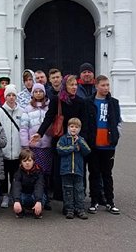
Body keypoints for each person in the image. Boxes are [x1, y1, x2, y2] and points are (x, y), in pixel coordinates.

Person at [36, 74, 90, 202]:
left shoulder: (81, 101)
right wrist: (40, 133)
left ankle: (78, 196)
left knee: (77, 167)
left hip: (76, 138)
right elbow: (49, 117)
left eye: (76, 84)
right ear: (65, 86)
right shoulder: (57, 100)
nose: (74, 87)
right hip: (60, 138)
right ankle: (61, 196)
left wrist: (83, 139)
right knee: (60, 168)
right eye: (71, 85)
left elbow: (85, 122)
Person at [85, 75, 122, 215]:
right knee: (94, 173)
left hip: (109, 146)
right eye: (103, 85)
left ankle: (109, 202)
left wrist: (116, 137)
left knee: (107, 174)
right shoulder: (89, 102)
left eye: (107, 85)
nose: (106, 88)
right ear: (96, 86)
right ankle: (94, 201)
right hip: (94, 145)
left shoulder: (113, 103)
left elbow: (118, 121)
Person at [20, 83, 53, 209]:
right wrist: (25, 144)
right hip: (33, 147)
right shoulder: (27, 109)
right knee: (34, 172)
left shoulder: (49, 107)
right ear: (32, 94)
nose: (38, 94)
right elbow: (23, 128)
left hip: (46, 146)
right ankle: (35, 198)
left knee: (45, 173)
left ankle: (45, 197)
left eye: (40, 91)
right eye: (36, 91)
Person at [57, 117, 91, 219]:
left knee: (79, 190)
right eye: (72, 126)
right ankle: (69, 209)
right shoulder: (63, 139)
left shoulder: (81, 140)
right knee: (68, 190)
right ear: (68, 127)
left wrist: (79, 142)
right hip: (66, 170)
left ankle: (80, 209)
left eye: (76, 127)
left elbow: (87, 150)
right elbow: (59, 149)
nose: (74, 129)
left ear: (79, 129)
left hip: (78, 170)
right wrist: (73, 148)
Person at [0, 84, 23, 209]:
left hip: (17, 150)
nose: (11, 98)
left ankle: (14, 195)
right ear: (5, 97)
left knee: (15, 175)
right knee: (3, 175)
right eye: (9, 95)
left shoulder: (21, 111)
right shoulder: (0, 111)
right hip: (4, 150)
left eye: (13, 95)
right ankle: (5, 195)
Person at [11, 149, 44, 219]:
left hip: (34, 195)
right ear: (21, 162)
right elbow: (16, 187)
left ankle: (37, 210)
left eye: (29, 160)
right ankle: (21, 210)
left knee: (42, 197)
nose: (27, 163)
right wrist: (16, 201)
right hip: (24, 194)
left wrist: (38, 201)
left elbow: (39, 186)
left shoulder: (39, 172)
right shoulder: (18, 173)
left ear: (34, 161)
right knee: (17, 197)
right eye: (24, 161)